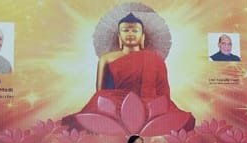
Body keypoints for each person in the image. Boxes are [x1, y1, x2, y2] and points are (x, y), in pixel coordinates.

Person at [62, 13, 195, 132]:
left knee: (182, 118)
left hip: (148, 103)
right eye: (125, 30)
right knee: (98, 99)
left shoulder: (154, 59)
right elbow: (101, 91)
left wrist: (161, 106)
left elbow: (163, 90)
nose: (130, 33)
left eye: (135, 30)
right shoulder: (106, 59)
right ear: (119, 36)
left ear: (142, 36)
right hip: (115, 104)